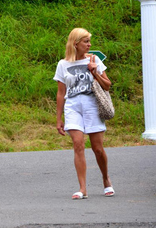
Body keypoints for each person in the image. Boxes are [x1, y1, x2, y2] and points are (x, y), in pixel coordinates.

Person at [53, 28, 114, 200]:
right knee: (78, 144)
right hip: (72, 107)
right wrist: (59, 120)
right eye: (86, 41)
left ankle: (106, 179)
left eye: (89, 41)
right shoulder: (62, 64)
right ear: (75, 44)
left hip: (92, 105)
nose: (89, 44)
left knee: (97, 148)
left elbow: (108, 85)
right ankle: (82, 188)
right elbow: (60, 92)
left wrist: (95, 72)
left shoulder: (94, 60)